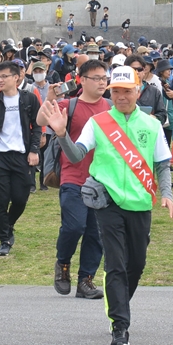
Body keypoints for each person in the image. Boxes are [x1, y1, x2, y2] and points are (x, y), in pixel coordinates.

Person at [42, 64, 173, 345]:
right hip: (107, 202)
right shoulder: (98, 122)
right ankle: (120, 326)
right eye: (116, 91)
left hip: (141, 204)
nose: (121, 97)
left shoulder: (152, 125)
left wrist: (166, 194)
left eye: (127, 91)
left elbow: (163, 164)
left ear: (138, 92)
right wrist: (62, 134)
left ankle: (118, 306)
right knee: (115, 263)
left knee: (136, 264)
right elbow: (77, 154)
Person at [50, 59, 112, 300]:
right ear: (81, 80)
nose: (101, 82)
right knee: (74, 226)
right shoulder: (69, 105)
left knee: (96, 233)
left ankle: (86, 279)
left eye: (104, 78)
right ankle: (62, 264)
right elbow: (44, 120)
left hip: (103, 180)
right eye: (96, 78)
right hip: (73, 177)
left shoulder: (110, 106)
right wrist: (49, 98)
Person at [0, 60, 42, 256]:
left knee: (21, 199)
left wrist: (34, 150)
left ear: (17, 77)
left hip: (22, 157)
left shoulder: (29, 99)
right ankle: (4, 240)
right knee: (1, 201)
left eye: (4, 76)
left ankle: (9, 223)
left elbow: (37, 126)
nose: (0, 80)